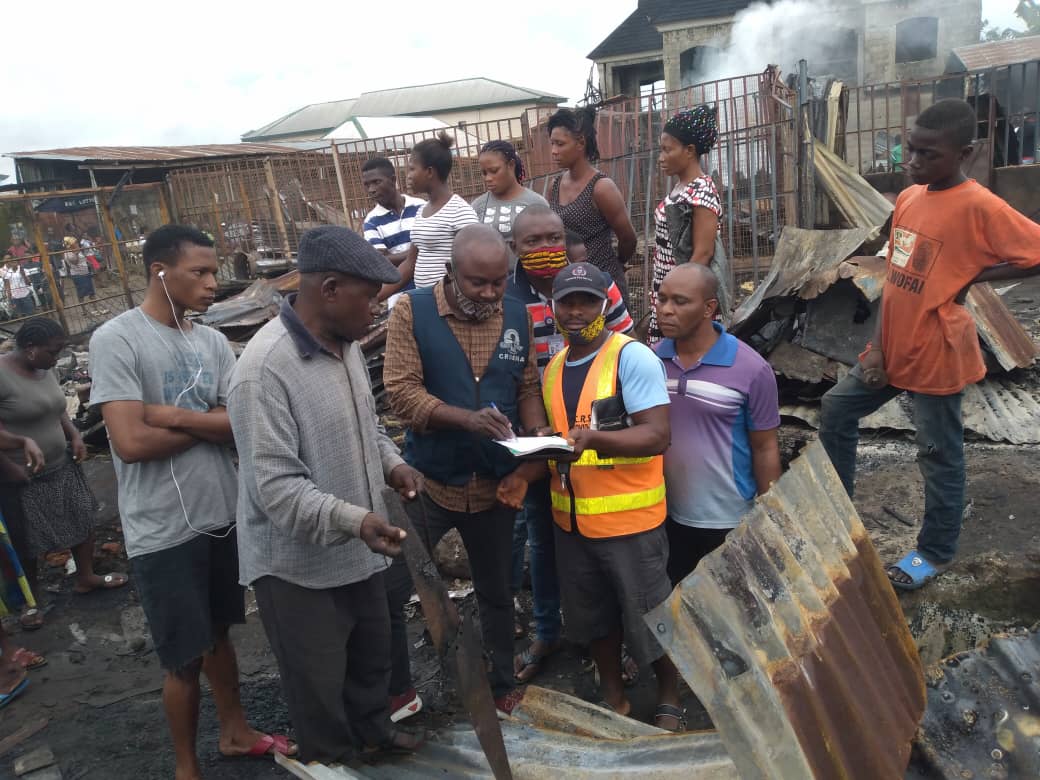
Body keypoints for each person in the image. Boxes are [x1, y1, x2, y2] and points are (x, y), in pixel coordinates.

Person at [90, 225, 296, 780]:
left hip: (220, 515)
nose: (212, 284)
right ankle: (186, 768)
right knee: (182, 657)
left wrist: (174, 415)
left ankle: (234, 732)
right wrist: (209, 425)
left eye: (213, 271)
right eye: (199, 272)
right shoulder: (119, 340)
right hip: (163, 528)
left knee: (219, 635)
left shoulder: (208, 341)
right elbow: (131, 444)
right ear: (161, 270)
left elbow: (241, 424)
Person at [819, 99, 1040, 592]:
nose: (914, 162)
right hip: (892, 345)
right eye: (911, 150)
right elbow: (896, 279)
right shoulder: (909, 198)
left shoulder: (979, 205)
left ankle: (934, 552)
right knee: (836, 409)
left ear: (964, 152)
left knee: (938, 453)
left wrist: (973, 275)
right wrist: (874, 347)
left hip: (938, 350)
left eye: (928, 154)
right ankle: (838, 516)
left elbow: (1034, 251)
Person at [228, 226, 423, 763]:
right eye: (370, 297)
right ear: (331, 289)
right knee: (318, 680)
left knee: (369, 659)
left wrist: (394, 465)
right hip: (297, 569)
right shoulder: (263, 371)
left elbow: (369, 427)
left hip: (358, 547)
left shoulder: (345, 345)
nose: (376, 312)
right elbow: (277, 490)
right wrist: (357, 520)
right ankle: (334, 762)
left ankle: (374, 735)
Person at [383, 224, 548, 716]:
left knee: (498, 590)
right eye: (478, 283)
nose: (491, 293)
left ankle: (500, 684)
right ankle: (398, 691)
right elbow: (401, 393)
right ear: (452, 273)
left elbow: (526, 385)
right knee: (394, 583)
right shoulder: (413, 310)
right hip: (430, 481)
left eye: (500, 281)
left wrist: (536, 438)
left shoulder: (516, 312)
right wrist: (467, 420)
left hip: (496, 484)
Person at [543, 263, 683, 730]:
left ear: (606, 304)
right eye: (568, 302)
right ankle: (614, 696)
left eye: (587, 301)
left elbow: (657, 436)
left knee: (650, 618)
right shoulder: (554, 368)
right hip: (572, 523)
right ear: (555, 308)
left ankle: (669, 696)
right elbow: (565, 437)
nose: (577, 312)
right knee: (592, 619)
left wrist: (595, 440)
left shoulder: (632, 357)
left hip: (631, 525)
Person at [505, 206, 634, 684]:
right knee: (543, 538)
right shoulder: (508, 299)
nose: (545, 249)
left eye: (553, 237)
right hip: (540, 436)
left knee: (607, 543)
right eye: (533, 241)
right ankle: (547, 630)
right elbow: (519, 376)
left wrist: (606, 431)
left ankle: (615, 641)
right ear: (514, 249)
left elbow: (624, 353)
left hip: (597, 436)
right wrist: (539, 435)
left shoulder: (595, 286)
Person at [653, 264, 781, 584]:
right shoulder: (651, 362)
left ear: (709, 308)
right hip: (665, 517)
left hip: (730, 521)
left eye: (680, 302)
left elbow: (765, 447)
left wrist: (771, 518)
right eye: (662, 299)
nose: (666, 310)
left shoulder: (751, 369)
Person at [0, 318, 128, 632]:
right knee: (25, 538)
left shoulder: (46, 370)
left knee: (81, 516)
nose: (56, 358)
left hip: (61, 464)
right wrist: (15, 454)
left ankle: (86, 576)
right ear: (30, 349)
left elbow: (57, 407)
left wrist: (73, 434)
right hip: (19, 473)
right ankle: (31, 601)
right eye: (52, 351)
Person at [648, 105, 727, 343]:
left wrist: (678, 298)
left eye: (667, 150)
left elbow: (703, 253)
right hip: (669, 292)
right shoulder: (681, 187)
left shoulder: (701, 190)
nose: (661, 158)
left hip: (684, 299)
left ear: (689, 150)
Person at [547, 107, 636, 298]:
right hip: (569, 286)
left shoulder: (601, 188)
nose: (554, 151)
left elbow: (628, 238)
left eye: (560, 144)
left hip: (603, 283)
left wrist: (618, 263)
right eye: (552, 144)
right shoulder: (555, 186)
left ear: (580, 143)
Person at [380, 132, 477, 298]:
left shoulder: (460, 212)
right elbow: (410, 263)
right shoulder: (422, 211)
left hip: (453, 305)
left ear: (430, 172)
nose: (408, 176)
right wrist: (377, 297)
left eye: (412, 169)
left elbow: (474, 264)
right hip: (428, 302)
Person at [471, 140, 548, 255]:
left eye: (494, 171)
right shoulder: (477, 206)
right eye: (484, 173)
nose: (488, 178)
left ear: (511, 165)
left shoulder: (537, 203)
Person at [361, 157, 426, 270]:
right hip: (401, 286)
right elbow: (380, 261)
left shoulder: (421, 207)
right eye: (367, 185)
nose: (371, 190)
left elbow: (433, 244)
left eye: (376, 182)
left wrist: (393, 257)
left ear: (393, 180)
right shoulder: (371, 222)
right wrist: (419, 252)